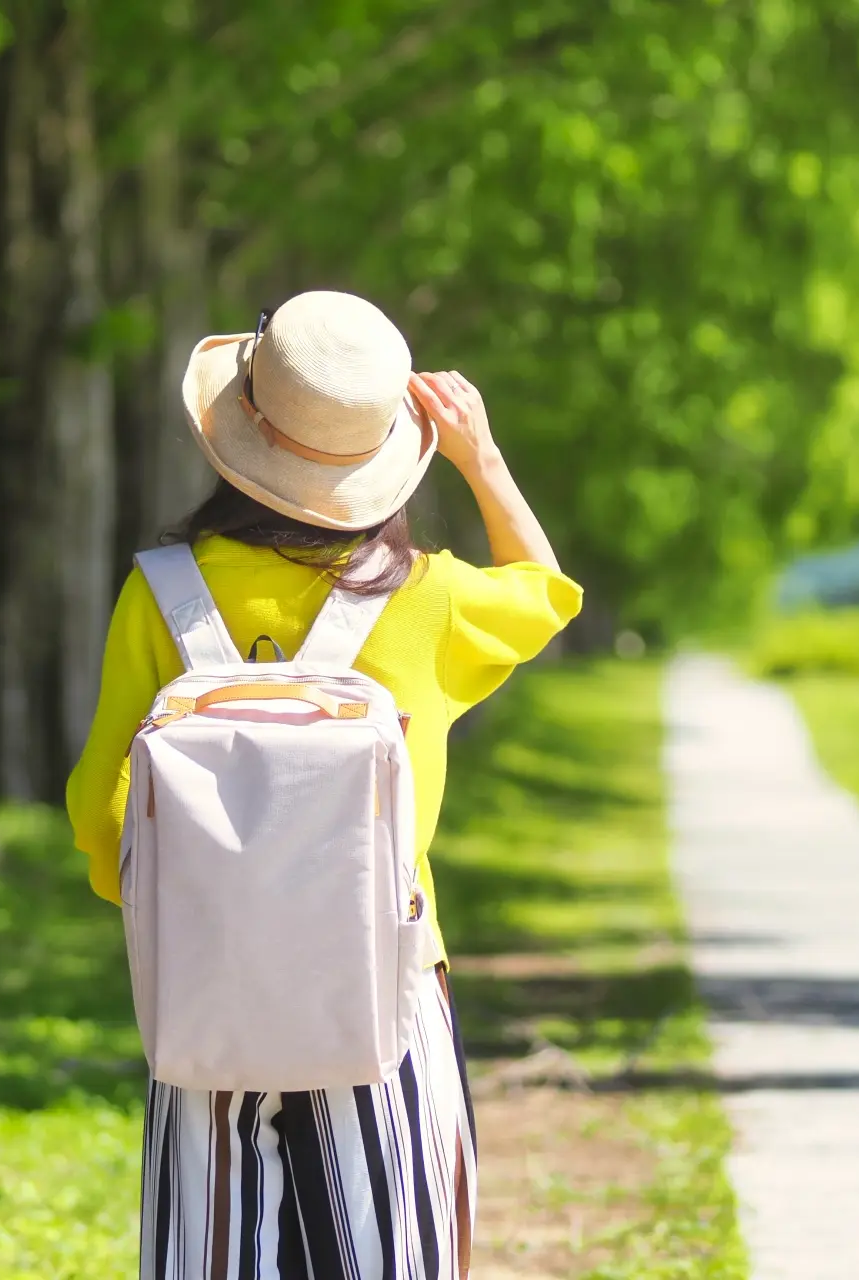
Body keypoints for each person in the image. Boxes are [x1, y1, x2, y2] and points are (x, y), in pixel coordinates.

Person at [66, 290, 581, 1279]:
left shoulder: (162, 590)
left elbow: (103, 808)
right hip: (382, 990)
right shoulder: (427, 596)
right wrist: (481, 455)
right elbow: (544, 592)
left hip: (206, 994)